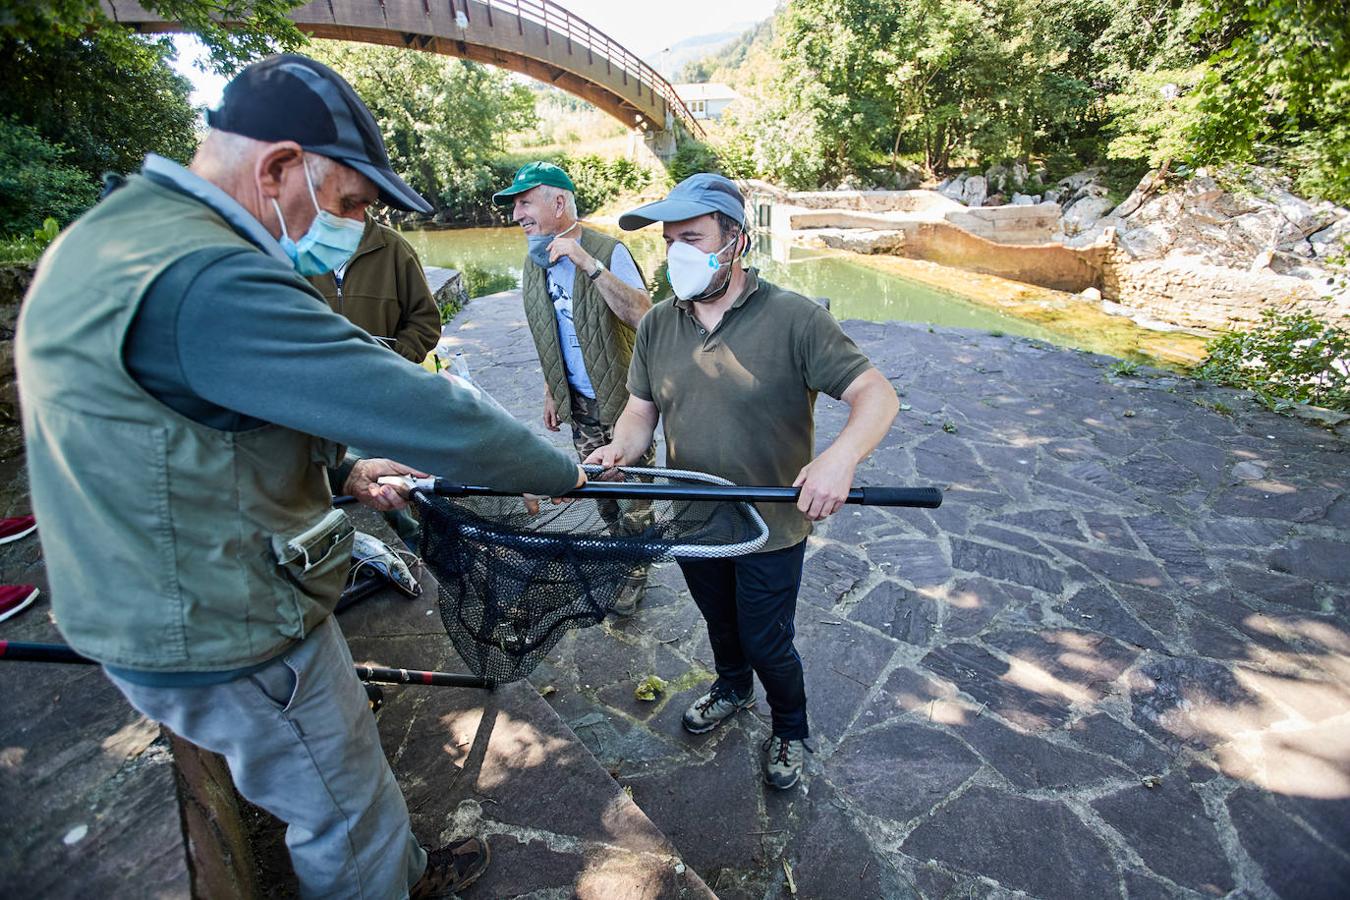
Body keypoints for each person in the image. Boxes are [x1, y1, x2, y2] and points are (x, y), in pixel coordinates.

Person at [16, 54, 585, 898]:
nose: (354, 225)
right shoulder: (207, 275)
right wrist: (561, 473)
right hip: (219, 621)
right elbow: (427, 411)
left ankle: (406, 868)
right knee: (340, 802)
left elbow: (197, 420)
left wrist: (344, 469)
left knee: (336, 779)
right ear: (280, 166)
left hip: (149, 594)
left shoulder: (120, 234)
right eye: (352, 202)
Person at [586, 174, 900, 790]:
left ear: (737, 242)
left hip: (771, 524)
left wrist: (840, 458)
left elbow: (876, 395)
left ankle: (789, 726)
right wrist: (618, 450)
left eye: (693, 238)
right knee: (719, 622)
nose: (678, 252)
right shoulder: (657, 325)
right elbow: (640, 411)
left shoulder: (794, 319)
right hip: (695, 517)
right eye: (670, 240)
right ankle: (730, 687)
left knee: (766, 637)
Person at [493, 162, 656, 615]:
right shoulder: (535, 261)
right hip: (580, 403)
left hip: (624, 401)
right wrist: (552, 388)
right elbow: (552, 331)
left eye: (525, 203)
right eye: (515, 206)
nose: (517, 215)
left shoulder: (608, 249)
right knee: (598, 490)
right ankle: (622, 551)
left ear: (558, 203)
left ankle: (637, 567)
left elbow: (645, 317)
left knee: (635, 493)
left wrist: (588, 263)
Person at [308, 216, 442, 550]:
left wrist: (392, 360)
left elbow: (426, 322)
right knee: (336, 477)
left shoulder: (394, 248)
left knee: (390, 485)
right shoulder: (295, 253)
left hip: (384, 400)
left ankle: (417, 549)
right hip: (319, 403)